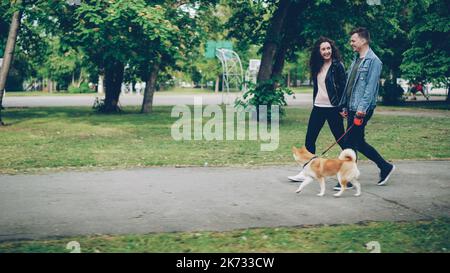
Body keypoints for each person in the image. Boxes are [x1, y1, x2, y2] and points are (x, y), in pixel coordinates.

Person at [338, 27, 395, 189]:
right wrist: (344, 105)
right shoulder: (356, 60)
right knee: (358, 142)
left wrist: (361, 110)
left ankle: (347, 178)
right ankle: (385, 167)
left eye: (353, 40)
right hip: (352, 107)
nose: (351, 44)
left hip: (362, 109)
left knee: (349, 142)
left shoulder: (374, 62)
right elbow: (350, 85)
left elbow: (370, 89)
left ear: (363, 40)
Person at [288, 37, 348, 183]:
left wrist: (343, 106)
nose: (327, 51)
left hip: (333, 108)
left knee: (341, 139)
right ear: (319, 51)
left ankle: (349, 170)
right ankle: (306, 172)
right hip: (318, 108)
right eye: (323, 49)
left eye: (329, 48)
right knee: (310, 139)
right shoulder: (317, 65)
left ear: (332, 49)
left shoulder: (337, 66)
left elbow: (344, 87)